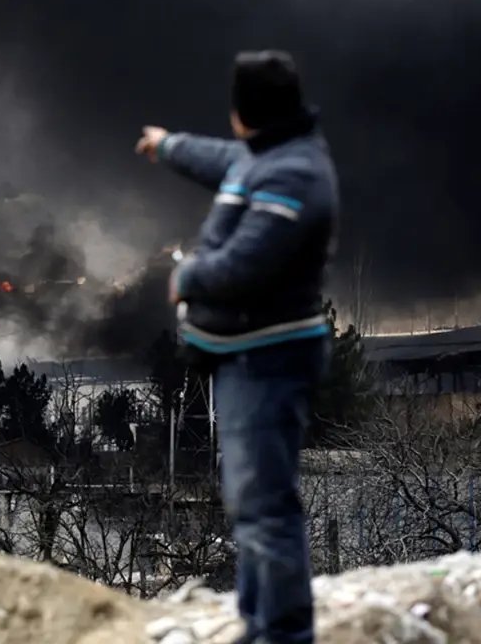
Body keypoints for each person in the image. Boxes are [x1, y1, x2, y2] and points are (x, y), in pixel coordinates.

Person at [135, 50, 338, 644]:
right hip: (249, 356)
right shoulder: (273, 157)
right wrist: (168, 144)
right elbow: (222, 159)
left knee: (265, 507)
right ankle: (261, 624)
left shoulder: (294, 175)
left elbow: (245, 263)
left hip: (269, 359)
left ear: (243, 113)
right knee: (251, 502)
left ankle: (281, 633)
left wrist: (185, 276)